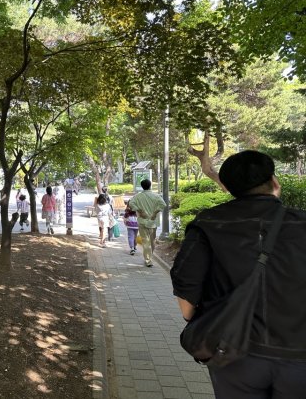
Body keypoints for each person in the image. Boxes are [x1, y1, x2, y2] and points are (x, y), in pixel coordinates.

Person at [171, 150, 306, 398]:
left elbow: (185, 280)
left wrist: (194, 319)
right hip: (299, 355)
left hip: (233, 352)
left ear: (227, 187)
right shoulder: (301, 223)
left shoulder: (208, 223)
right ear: (274, 182)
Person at [128, 179, 166, 267]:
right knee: (152, 241)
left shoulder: (138, 196)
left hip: (142, 221)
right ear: (150, 185)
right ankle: (149, 258)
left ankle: (148, 260)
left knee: (145, 241)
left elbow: (131, 204)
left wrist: (139, 210)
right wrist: (155, 212)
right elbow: (163, 204)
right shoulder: (156, 196)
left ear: (142, 186)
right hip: (153, 222)